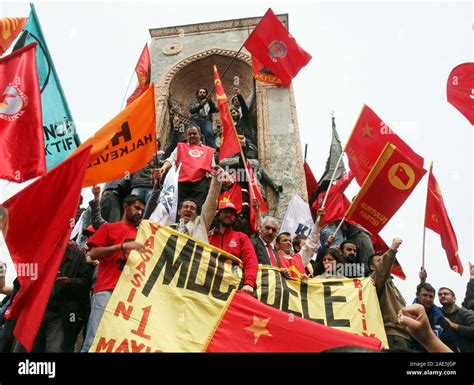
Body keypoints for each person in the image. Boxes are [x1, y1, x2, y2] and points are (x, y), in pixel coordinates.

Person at [81, 195, 146, 352]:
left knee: (116, 344)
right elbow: (93, 253)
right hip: (106, 291)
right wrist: (120, 246)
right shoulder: (109, 228)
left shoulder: (143, 234)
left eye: (142, 210)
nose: (140, 213)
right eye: (137, 208)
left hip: (129, 297)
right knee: (93, 341)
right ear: (125, 207)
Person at [156, 124, 215, 208]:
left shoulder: (208, 151)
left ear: (200, 135)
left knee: (197, 209)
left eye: (194, 133)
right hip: (181, 184)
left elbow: (212, 171)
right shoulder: (180, 147)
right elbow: (171, 160)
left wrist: (211, 188)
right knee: (180, 208)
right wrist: (163, 168)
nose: (192, 136)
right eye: (189, 134)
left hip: (200, 185)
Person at [368, 238, 411, 350]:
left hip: (406, 334)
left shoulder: (390, 284)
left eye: (384, 260)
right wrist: (392, 249)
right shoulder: (374, 279)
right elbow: (382, 269)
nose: (384, 262)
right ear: (372, 267)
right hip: (393, 334)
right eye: (380, 261)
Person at [208, 201, 258, 295]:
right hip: (208, 283)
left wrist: (249, 283)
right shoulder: (209, 236)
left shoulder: (241, 237)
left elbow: (251, 261)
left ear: (235, 218)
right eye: (225, 212)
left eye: (232, 213)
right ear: (218, 215)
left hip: (232, 286)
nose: (228, 215)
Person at [171, 166, 227, 243]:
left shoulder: (202, 223)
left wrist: (216, 179)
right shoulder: (169, 229)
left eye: (192, 208)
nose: (188, 209)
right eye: (185, 207)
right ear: (179, 212)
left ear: (197, 214)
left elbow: (211, 202)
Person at [438, 286, 474, 352]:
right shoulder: (437, 313)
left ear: (454, 298)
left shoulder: (464, 312)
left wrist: (453, 325)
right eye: (440, 294)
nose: (442, 296)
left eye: (446, 294)